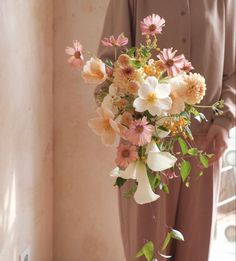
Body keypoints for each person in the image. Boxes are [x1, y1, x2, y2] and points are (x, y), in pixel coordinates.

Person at [98, 1, 236, 260]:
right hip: (145, 145)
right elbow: (110, 64)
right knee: (146, 250)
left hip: (204, 146)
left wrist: (224, 121)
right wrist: (130, 122)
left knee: (196, 250)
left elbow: (233, 72)